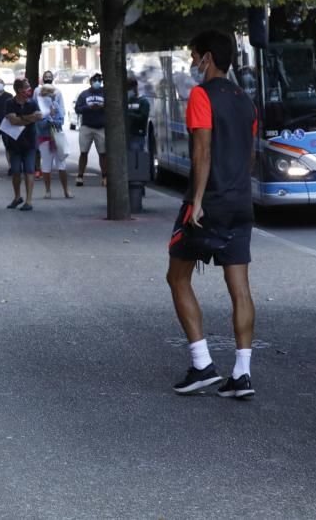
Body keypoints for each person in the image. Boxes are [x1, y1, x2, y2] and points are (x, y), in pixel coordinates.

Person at [167, 29, 258, 400]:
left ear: (207, 57)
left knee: (177, 277)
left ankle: (202, 363)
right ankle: (242, 373)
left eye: (194, 55)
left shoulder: (201, 95)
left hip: (209, 203)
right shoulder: (246, 101)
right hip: (240, 201)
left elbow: (201, 153)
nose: (192, 63)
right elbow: (250, 154)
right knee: (239, 287)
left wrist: (198, 201)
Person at [2, 79, 42, 211]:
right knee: (16, 171)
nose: (29, 89)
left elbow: (38, 116)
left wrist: (21, 118)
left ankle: (28, 201)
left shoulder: (32, 103)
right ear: (19, 90)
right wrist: (29, 118)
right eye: (27, 87)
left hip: (30, 142)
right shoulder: (9, 103)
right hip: (15, 142)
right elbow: (13, 121)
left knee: (29, 170)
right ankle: (17, 197)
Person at [36, 84, 73, 199]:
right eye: (49, 93)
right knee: (46, 166)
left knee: (61, 164)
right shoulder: (38, 107)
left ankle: (66, 189)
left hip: (57, 137)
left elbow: (61, 121)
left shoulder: (56, 105)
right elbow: (40, 125)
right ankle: (48, 190)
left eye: (53, 93)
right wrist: (49, 117)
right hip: (45, 139)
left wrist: (52, 118)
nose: (52, 95)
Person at [74, 73, 107, 187]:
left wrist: (103, 107)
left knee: (103, 153)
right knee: (83, 152)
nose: (97, 82)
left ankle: (104, 176)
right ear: (91, 82)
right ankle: (80, 176)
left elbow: (112, 107)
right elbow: (77, 109)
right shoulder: (84, 94)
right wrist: (88, 107)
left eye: (99, 80)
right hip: (87, 126)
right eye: (95, 80)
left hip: (101, 127)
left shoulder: (105, 93)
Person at [125, 76, 151, 151]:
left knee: (136, 157)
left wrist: (130, 115)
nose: (128, 91)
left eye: (129, 88)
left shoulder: (143, 101)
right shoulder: (127, 100)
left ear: (135, 87)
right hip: (128, 134)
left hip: (137, 135)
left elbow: (143, 117)